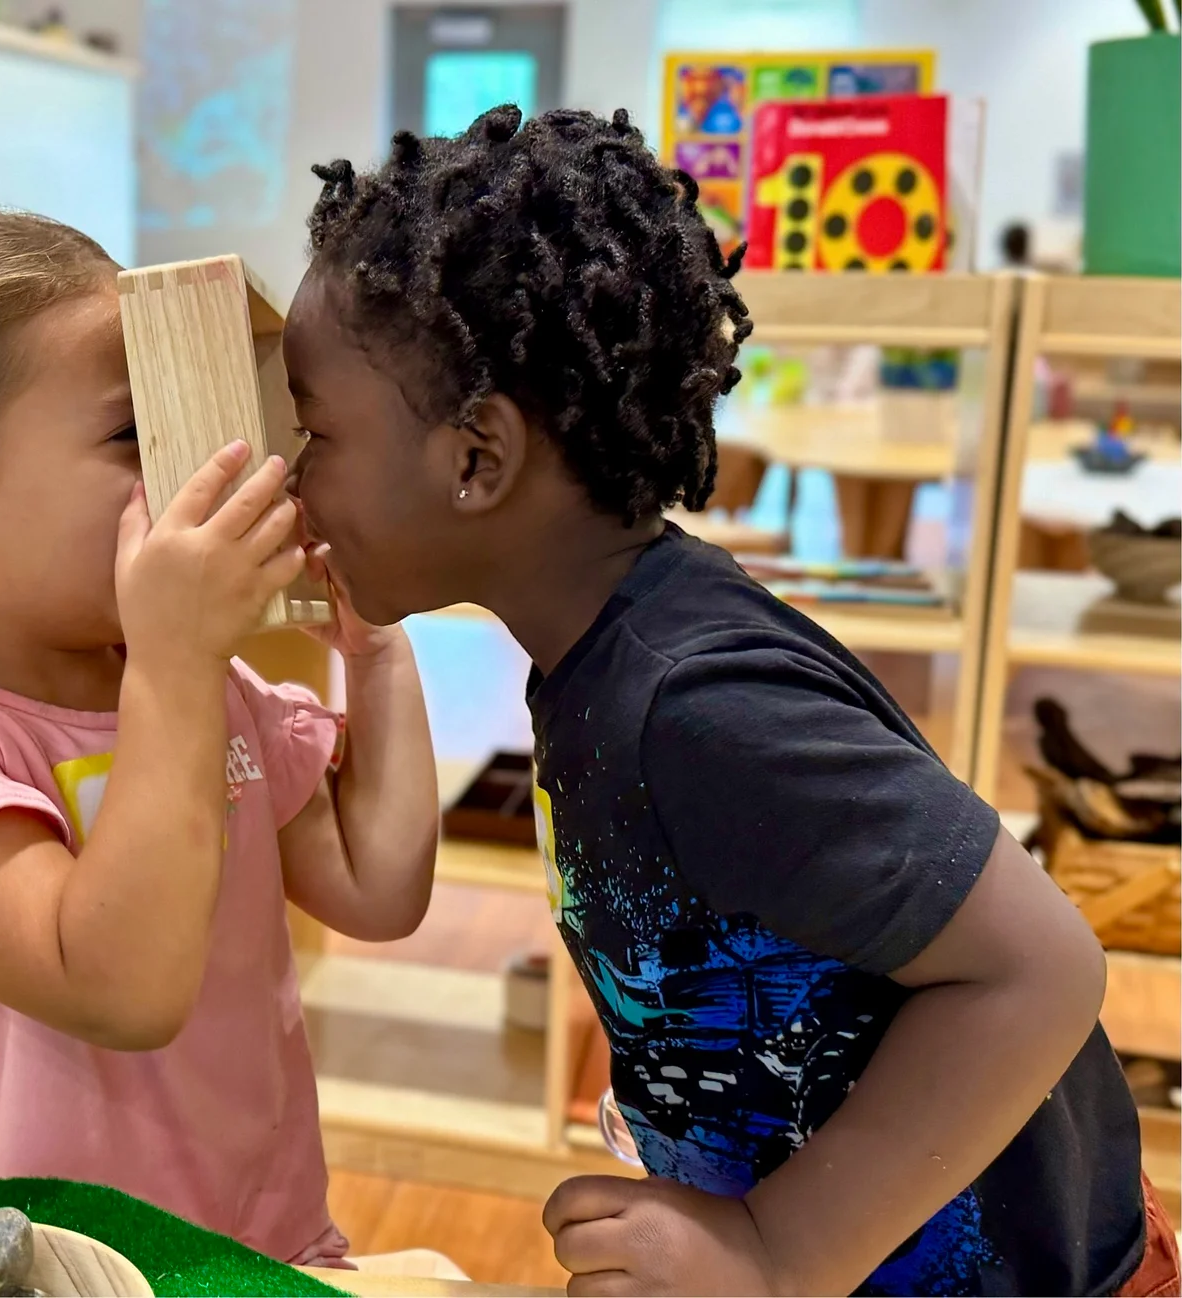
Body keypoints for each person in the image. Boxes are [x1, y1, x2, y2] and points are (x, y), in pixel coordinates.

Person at [280, 106, 1177, 1296]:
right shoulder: (599, 655)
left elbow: (1044, 966)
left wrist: (779, 1247)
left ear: (475, 460)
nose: (292, 472)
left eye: (315, 430)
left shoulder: (697, 704)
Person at [0, 205, 439, 1265]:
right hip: (40, 1266)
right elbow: (119, 986)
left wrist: (374, 645)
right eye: (135, 436)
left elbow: (376, 887)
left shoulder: (199, 679)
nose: (202, 473)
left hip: (267, 1237)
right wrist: (172, 664)